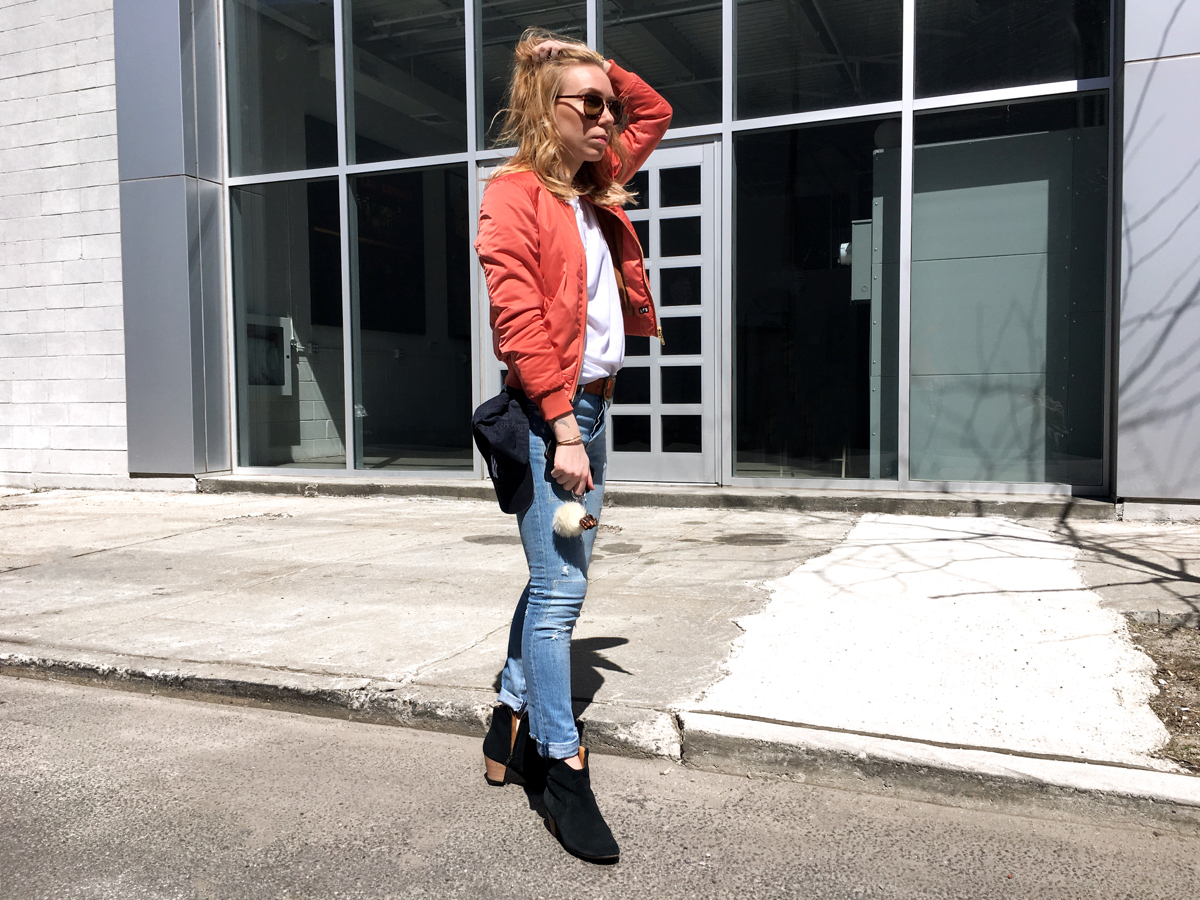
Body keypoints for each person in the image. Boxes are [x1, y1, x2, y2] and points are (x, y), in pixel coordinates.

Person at [474, 28, 670, 863]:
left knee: (552, 581)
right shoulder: (512, 195)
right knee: (561, 595)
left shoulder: (596, 182)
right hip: (550, 417)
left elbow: (657, 111)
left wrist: (590, 58)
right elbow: (517, 320)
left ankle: (509, 716)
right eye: (589, 104)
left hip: (591, 413)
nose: (607, 118)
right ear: (542, 108)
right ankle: (560, 765)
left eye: (606, 107)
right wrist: (562, 429)